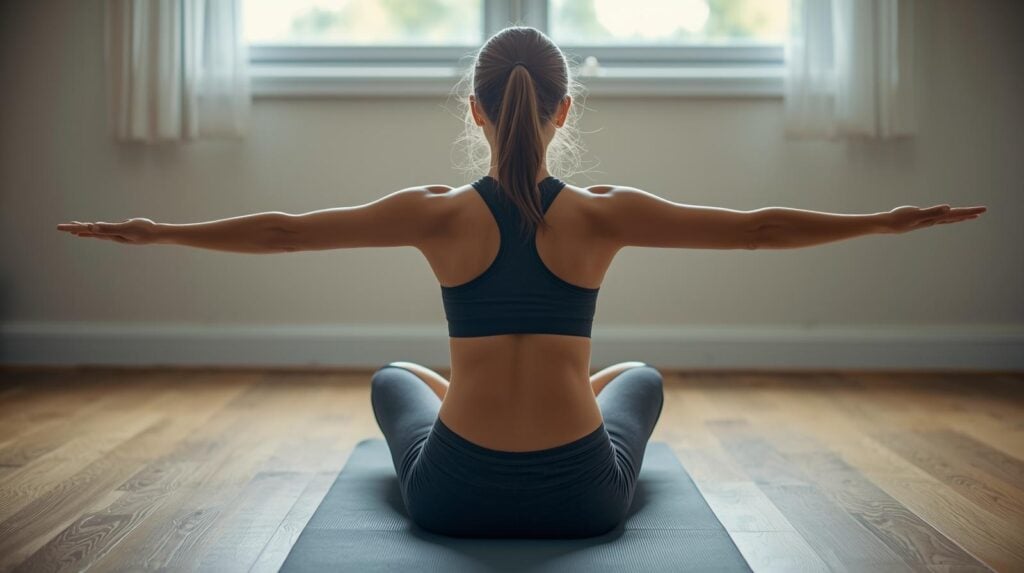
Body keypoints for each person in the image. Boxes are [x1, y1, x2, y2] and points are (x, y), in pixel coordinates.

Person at [56, 26, 986, 539]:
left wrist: (154, 230)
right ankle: (544, 399)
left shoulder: (433, 211)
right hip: (582, 498)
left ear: (474, 107)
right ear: (564, 108)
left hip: (451, 493)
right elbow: (760, 230)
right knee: (640, 375)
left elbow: (283, 234)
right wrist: (886, 217)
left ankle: (471, 397)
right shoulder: (605, 211)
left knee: (395, 375)